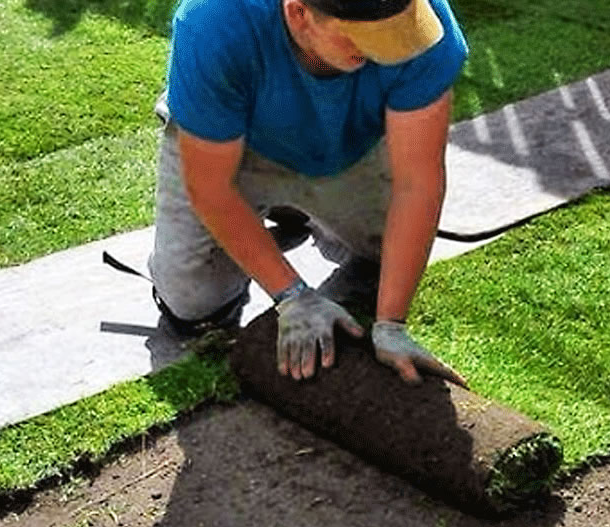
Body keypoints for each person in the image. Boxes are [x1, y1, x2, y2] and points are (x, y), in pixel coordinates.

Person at [149, 0, 469, 386]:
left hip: (345, 143)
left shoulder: (422, 20)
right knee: (191, 301)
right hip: (233, 148)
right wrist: (293, 296)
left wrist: (390, 325)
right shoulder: (214, 21)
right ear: (299, 13)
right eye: (367, 36)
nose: (389, 49)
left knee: (384, 255)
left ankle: (296, 207)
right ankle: (277, 205)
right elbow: (210, 186)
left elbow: (417, 183)